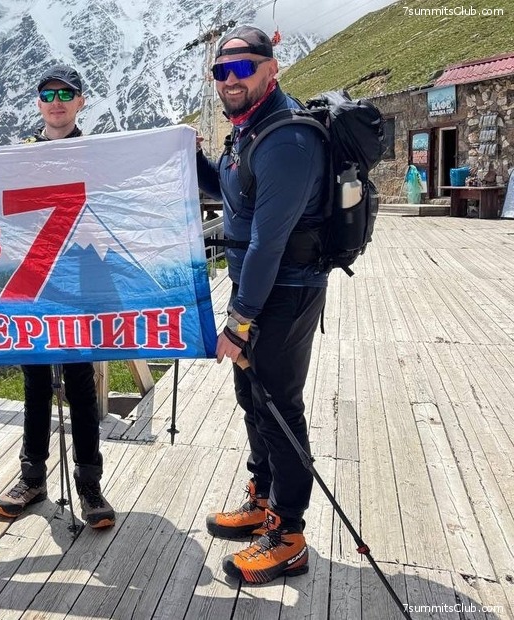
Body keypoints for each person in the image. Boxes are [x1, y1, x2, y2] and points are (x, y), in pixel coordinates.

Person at [195, 26, 329, 584]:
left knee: (278, 407)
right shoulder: (248, 128)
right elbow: (229, 193)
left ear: (272, 70)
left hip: (286, 291)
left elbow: (267, 242)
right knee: (253, 397)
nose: (230, 79)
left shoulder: (287, 140)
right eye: (221, 71)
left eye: (243, 68)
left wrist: (239, 321)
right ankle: (264, 498)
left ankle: (288, 535)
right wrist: (192, 158)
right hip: (258, 289)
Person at [0, 64, 116, 529]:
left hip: (82, 280)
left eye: (66, 94)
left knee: (81, 383)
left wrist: (184, 151)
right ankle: (32, 478)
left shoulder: (97, 154)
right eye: (48, 94)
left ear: (81, 102)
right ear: (39, 103)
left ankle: (89, 483)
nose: (57, 102)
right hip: (34, 282)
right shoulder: (20, 154)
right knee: (36, 383)